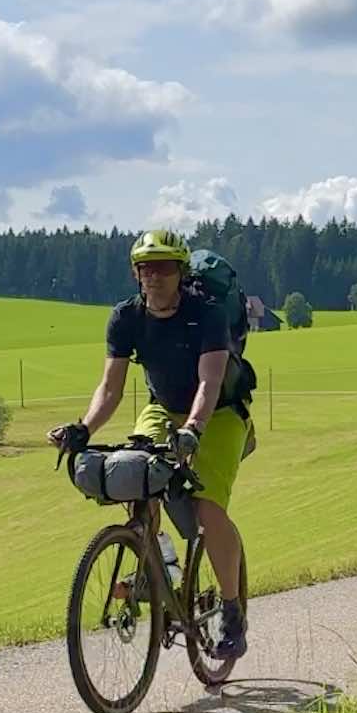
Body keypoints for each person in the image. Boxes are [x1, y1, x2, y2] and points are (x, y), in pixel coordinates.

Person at [49, 228, 253, 659]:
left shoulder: (207, 313)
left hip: (218, 414)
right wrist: (83, 428)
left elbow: (209, 380)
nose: (153, 277)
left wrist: (193, 430)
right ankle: (153, 563)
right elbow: (111, 388)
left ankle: (232, 612)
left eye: (162, 267)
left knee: (208, 508)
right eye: (145, 268)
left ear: (180, 271)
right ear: (135, 274)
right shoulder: (127, 317)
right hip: (163, 408)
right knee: (135, 474)